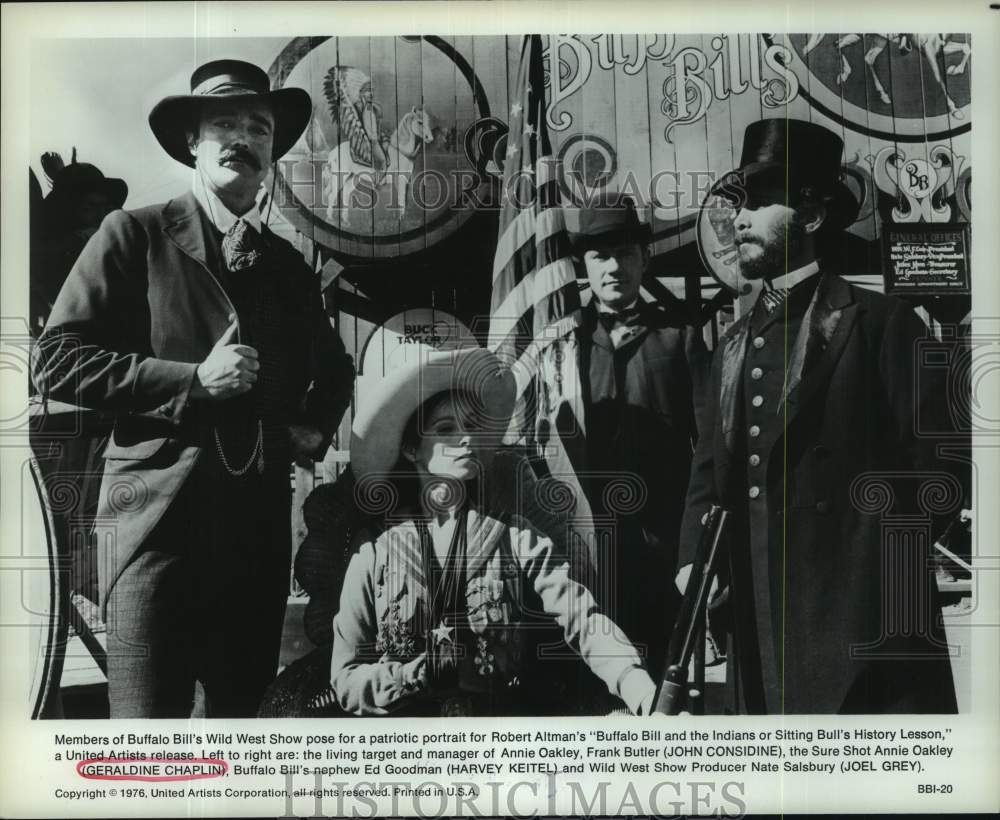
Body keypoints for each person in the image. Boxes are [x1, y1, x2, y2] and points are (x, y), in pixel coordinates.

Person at [31, 59, 355, 717]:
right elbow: (57, 362)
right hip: (152, 531)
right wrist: (192, 381)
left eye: (258, 128)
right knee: (145, 744)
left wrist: (312, 428)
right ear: (192, 143)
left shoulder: (287, 267)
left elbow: (336, 371)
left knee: (234, 739)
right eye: (225, 125)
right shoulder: (136, 234)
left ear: (272, 151)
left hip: (254, 543)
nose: (243, 139)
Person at [680, 118, 958, 714]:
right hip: (758, 616)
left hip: (865, 630)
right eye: (740, 204)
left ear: (809, 216)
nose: (740, 219)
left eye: (760, 202)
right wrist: (693, 561)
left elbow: (940, 469)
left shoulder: (882, 322)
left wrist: (870, 574)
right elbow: (709, 471)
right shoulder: (731, 345)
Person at [330, 346, 658, 717]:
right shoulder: (375, 552)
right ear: (410, 449)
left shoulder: (515, 536)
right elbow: (345, 679)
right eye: (445, 429)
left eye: (471, 426)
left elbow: (583, 618)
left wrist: (640, 688)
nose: (466, 439)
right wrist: (412, 676)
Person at [535, 193, 705, 702]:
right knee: (586, 694)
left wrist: (691, 551)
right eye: (600, 255)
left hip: (661, 556)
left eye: (626, 253)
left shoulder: (680, 337)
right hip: (584, 555)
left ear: (644, 258)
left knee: (663, 695)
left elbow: (709, 451)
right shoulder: (562, 348)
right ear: (584, 265)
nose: (614, 267)